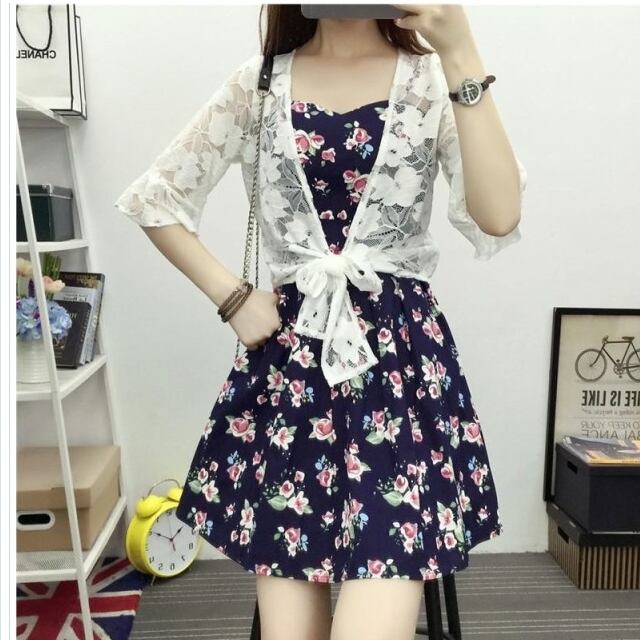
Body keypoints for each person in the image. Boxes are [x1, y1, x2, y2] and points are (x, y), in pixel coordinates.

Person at [114, 4, 527, 639]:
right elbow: (155, 197)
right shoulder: (258, 82)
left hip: (398, 382)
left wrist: (461, 51)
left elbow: (498, 215)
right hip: (292, 383)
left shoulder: (430, 79)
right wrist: (232, 297)